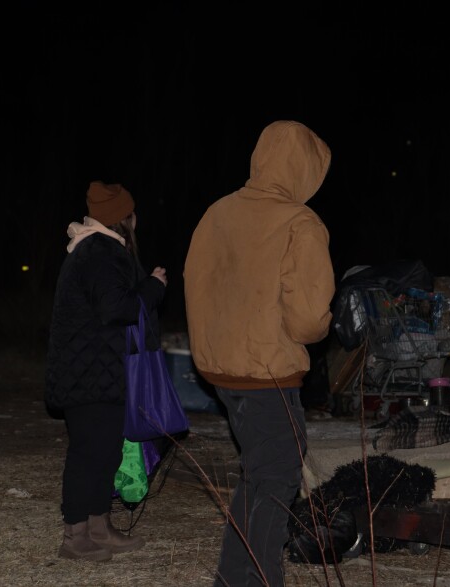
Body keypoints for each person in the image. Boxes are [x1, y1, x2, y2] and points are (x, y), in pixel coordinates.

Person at [183, 120, 335, 586]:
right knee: (275, 482)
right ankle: (262, 579)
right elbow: (309, 318)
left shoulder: (218, 212)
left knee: (258, 475)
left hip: (224, 371)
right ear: (305, 169)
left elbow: (198, 286)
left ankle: (232, 577)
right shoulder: (299, 222)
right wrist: (322, 325)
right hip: (268, 370)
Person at [45, 181, 168, 562]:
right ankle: (75, 536)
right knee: (88, 454)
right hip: (89, 374)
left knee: (106, 452)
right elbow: (115, 308)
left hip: (99, 371)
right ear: (125, 218)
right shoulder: (99, 251)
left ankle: (99, 527)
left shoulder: (98, 249)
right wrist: (152, 288)